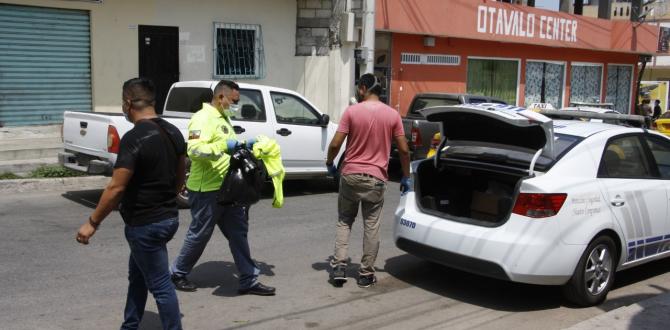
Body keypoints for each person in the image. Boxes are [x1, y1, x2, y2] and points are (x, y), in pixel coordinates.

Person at [75, 78, 186, 330]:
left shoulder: (135, 137)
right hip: (168, 218)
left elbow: (116, 187)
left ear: (128, 103)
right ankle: (130, 325)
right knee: (137, 276)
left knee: (160, 285)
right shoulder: (173, 131)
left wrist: (92, 223)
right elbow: (180, 177)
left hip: (145, 224)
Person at [170, 80, 275, 296]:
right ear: (220, 97)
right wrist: (224, 147)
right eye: (233, 101)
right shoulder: (202, 118)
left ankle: (248, 279)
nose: (235, 105)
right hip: (206, 189)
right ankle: (177, 273)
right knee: (200, 234)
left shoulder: (224, 118)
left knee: (238, 233)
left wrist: (245, 145)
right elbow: (195, 150)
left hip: (227, 189)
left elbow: (228, 146)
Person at [325, 73, 411, 288]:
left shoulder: (352, 112)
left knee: (345, 220)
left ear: (363, 88)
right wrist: (407, 176)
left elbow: (336, 144)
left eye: (358, 87)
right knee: (371, 226)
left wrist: (329, 162)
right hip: (376, 179)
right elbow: (403, 149)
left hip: (351, 175)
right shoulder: (392, 115)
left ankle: (339, 268)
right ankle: (365, 274)